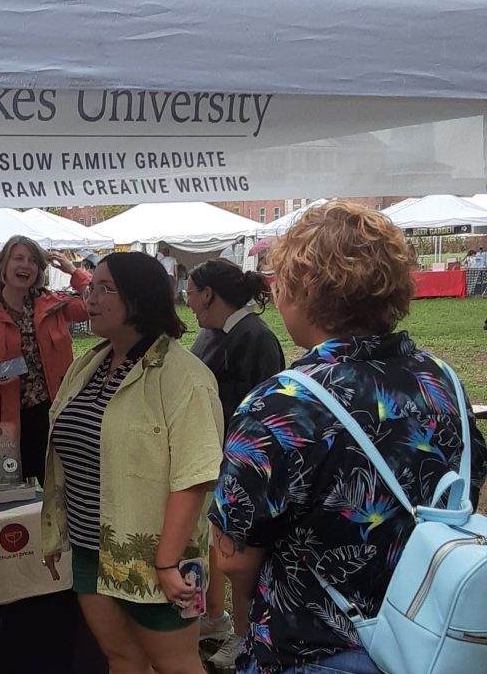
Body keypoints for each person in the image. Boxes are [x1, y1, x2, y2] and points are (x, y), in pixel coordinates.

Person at [209, 202, 487, 674]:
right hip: (435, 641)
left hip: (315, 651)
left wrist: (247, 631)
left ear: (305, 288)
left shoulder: (279, 402)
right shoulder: (443, 380)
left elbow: (234, 554)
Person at [41, 252, 224, 674]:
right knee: (121, 658)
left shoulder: (184, 376)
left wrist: (165, 561)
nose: (91, 298)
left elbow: (195, 476)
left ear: (138, 299)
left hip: (163, 558)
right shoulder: (89, 365)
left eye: (106, 289)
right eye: (91, 288)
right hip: (91, 549)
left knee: (176, 664)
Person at [185, 258, 285, 667]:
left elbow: (266, 413)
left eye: (190, 292)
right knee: (218, 548)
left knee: (240, 557)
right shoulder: (213, 332)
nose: (186, 301)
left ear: (208, 294)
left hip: (243, 468)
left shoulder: (255, 337)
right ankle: (223, 624)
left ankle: (244, 639)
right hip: (212, 459)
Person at [0, 236, 91, 485]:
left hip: (51, 417)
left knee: (59, 494)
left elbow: (95, 304)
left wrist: (74, 272)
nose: (26, 265)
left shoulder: (53, 305)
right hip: (0, 424)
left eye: (32, 260)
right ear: (4, 265)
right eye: (18, 258)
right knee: (6, 506)